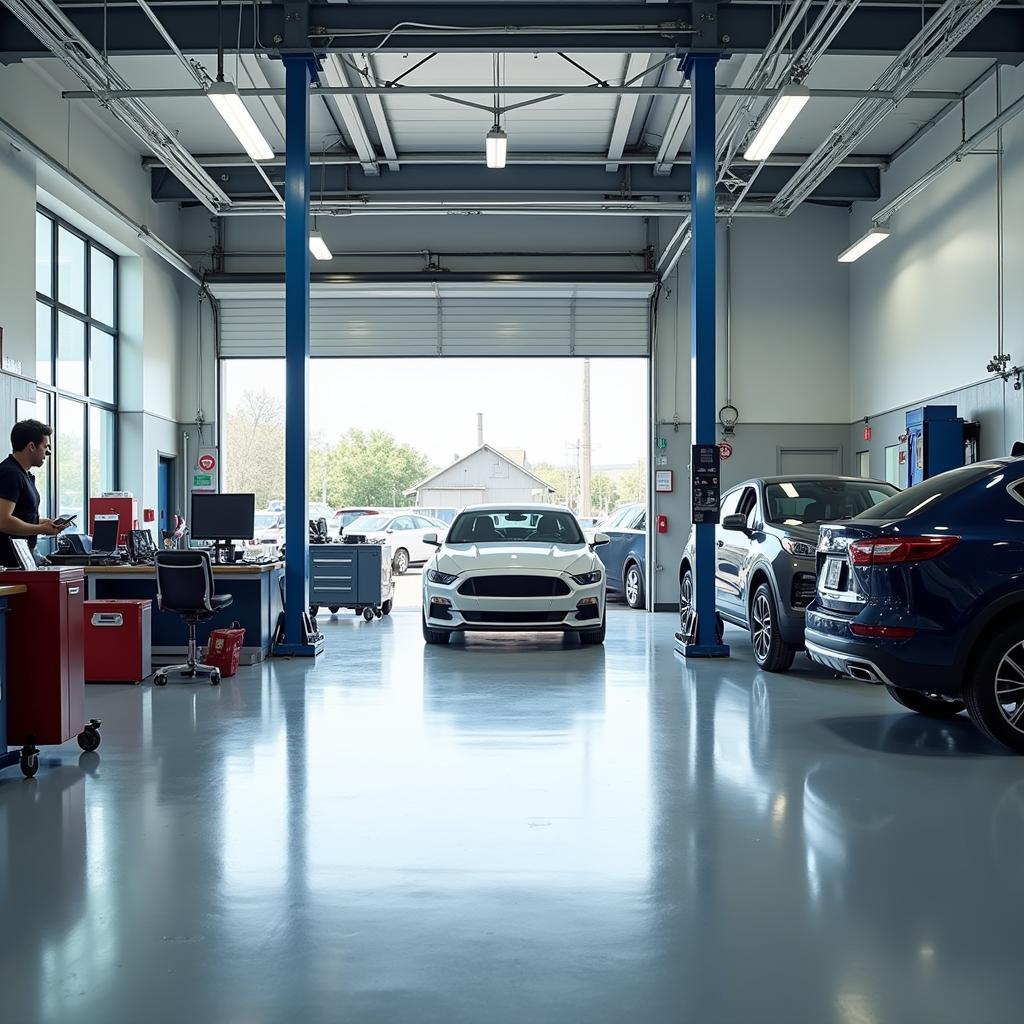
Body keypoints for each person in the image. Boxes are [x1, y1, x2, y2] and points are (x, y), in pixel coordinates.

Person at [0, 419, 66, 568]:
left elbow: (23, 516)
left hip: (22, 559)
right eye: (45, 446)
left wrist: (47, 523)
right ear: (31, 446)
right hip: (8, 563)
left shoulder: (25, 475)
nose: (48, 452)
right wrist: (42, 529)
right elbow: (3, 521)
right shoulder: (10, 474)